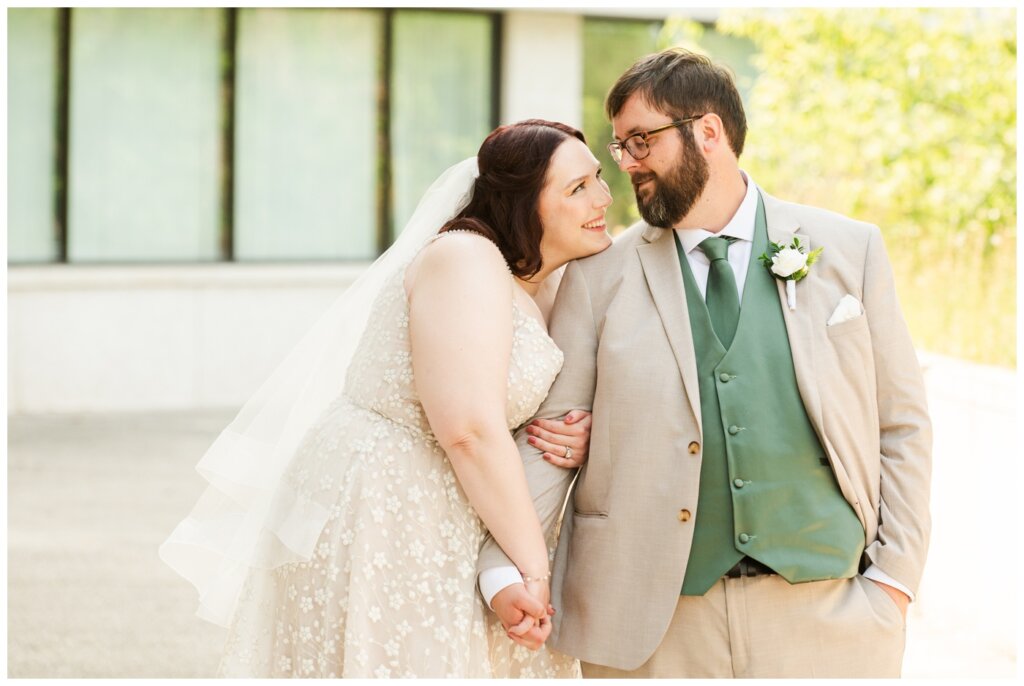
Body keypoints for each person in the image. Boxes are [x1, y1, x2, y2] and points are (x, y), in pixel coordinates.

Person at [479, 48, 932, 678]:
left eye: (641, 141)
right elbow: (551, 439)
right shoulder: (597, 277)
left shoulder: (849, 249)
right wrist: (503, 570)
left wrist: (896, 579)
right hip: (655, 627)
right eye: (619, 147)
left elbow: (901, 424)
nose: (627, 166)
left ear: (709, 132)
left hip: (831, 615)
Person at [159, 119, 614, 677]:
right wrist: (533, 567)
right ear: (523, 204)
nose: (604, 196)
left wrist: (588, 430)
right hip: (389, 496)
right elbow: (468, 428)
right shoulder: (465, 259)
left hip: (462, 502)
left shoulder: (555, 284)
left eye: (597, 177)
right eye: (577, 188)